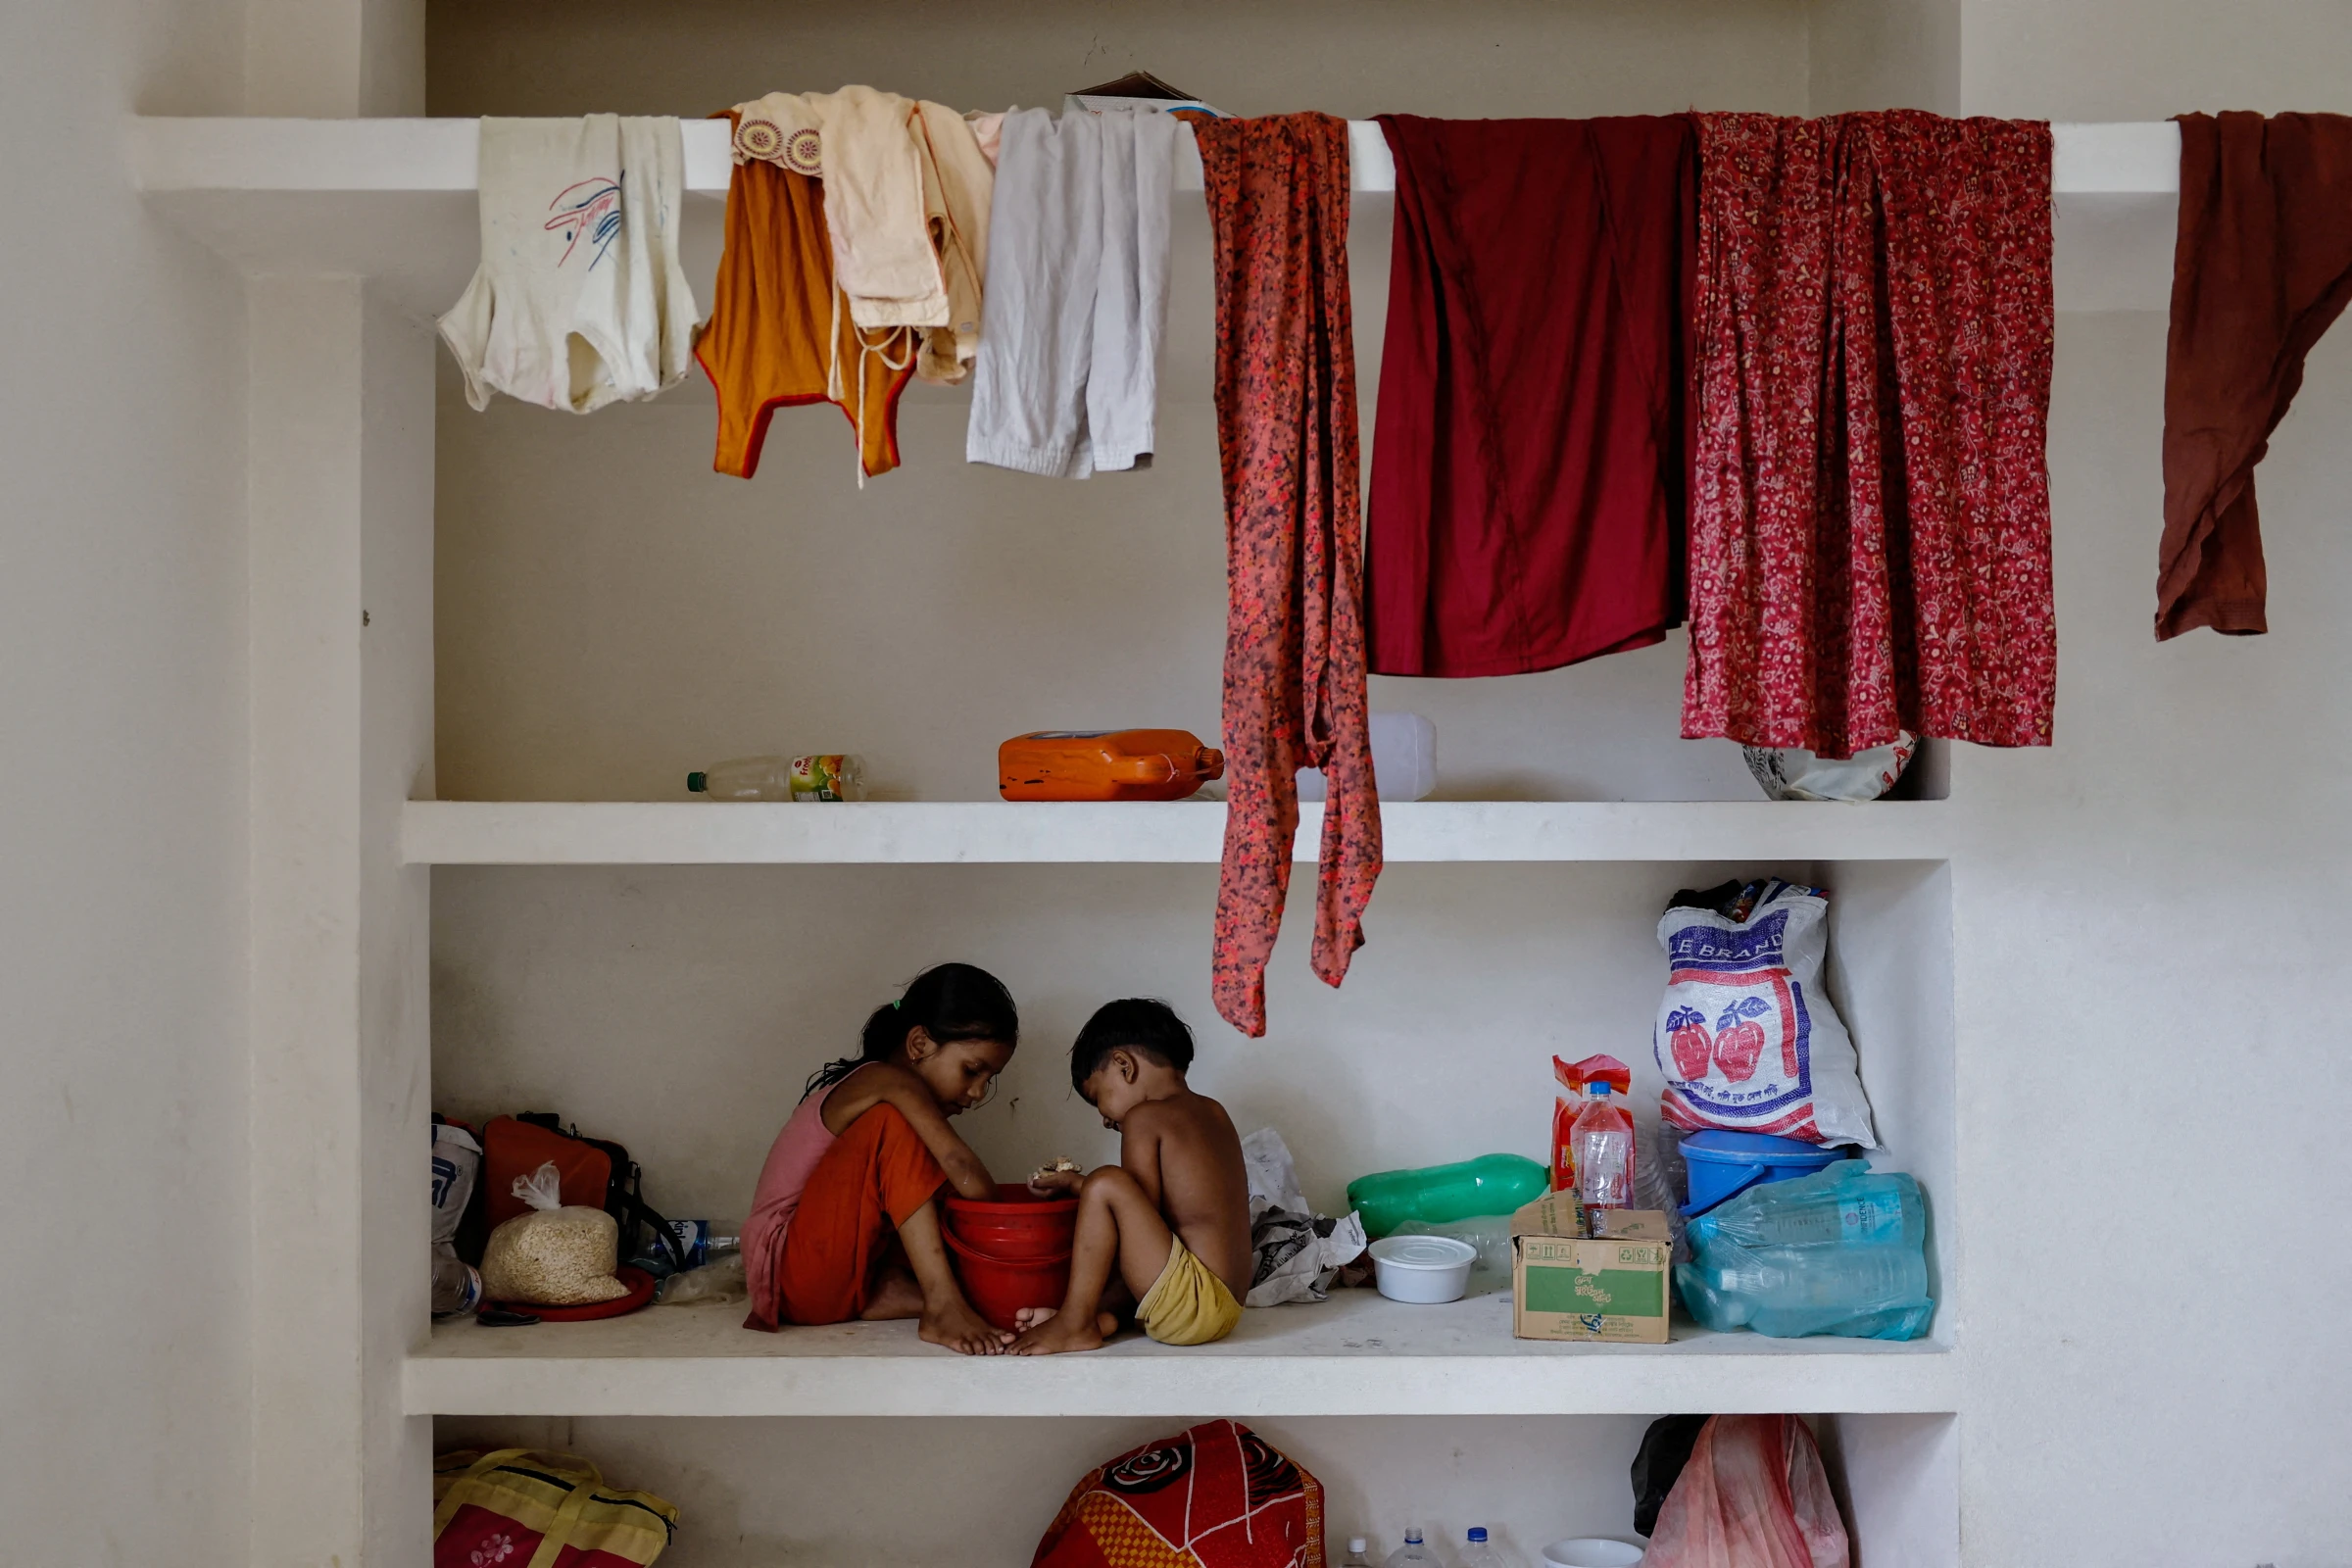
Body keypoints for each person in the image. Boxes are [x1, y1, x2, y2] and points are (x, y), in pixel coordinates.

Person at [742, 963, 1017, 1354]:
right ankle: (941, 1304)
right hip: (792, 1276)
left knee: (927, 1188)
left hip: (838, 1280)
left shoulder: (891, 1093)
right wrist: (1008, 1220)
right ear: (919, 1044)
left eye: (988, 1080)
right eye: (972, 1070)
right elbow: (968, 1176)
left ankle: (896, 1295)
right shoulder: (887, 1083)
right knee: (896, 1128)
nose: (977, 1093)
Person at [1011, 999, 1252, 1354]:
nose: (1105, 1120)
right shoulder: (1214, 1112)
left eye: (1098, 1099)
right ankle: (1101, 1318)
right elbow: (1155, 1225)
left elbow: (1134, 1209)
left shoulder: (1145, 1118)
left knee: (1106, 1182)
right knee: (1118, 1197)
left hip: (1194, 1305)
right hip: (1229, 1306)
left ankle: (1074, 1321)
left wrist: (1082, 1185)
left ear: (1123, 1066)